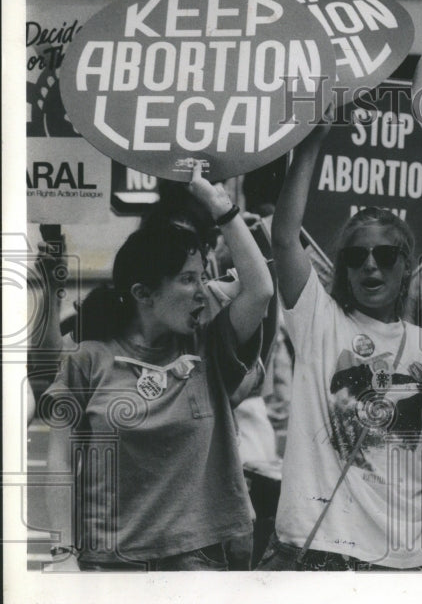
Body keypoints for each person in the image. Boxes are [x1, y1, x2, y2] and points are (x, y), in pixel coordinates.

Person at [38, 163, 273, 570]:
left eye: (203, 278)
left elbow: (261, 289)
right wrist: (62, 552)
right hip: (111, 563)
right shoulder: (89, 359)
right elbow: (59, 458)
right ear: (143, 293)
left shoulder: (209, 345)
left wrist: (221, 206)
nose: (203, 292)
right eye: (188, 280)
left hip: (200, 558)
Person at [260, 121, 422, 571]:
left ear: (405, 265)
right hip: (319, 550)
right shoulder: (318, 322)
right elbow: (283, 238)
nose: (371, 266)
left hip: (404, 557)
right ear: (344, 268)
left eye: (385, 255)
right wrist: (312, 141)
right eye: (356, 256)